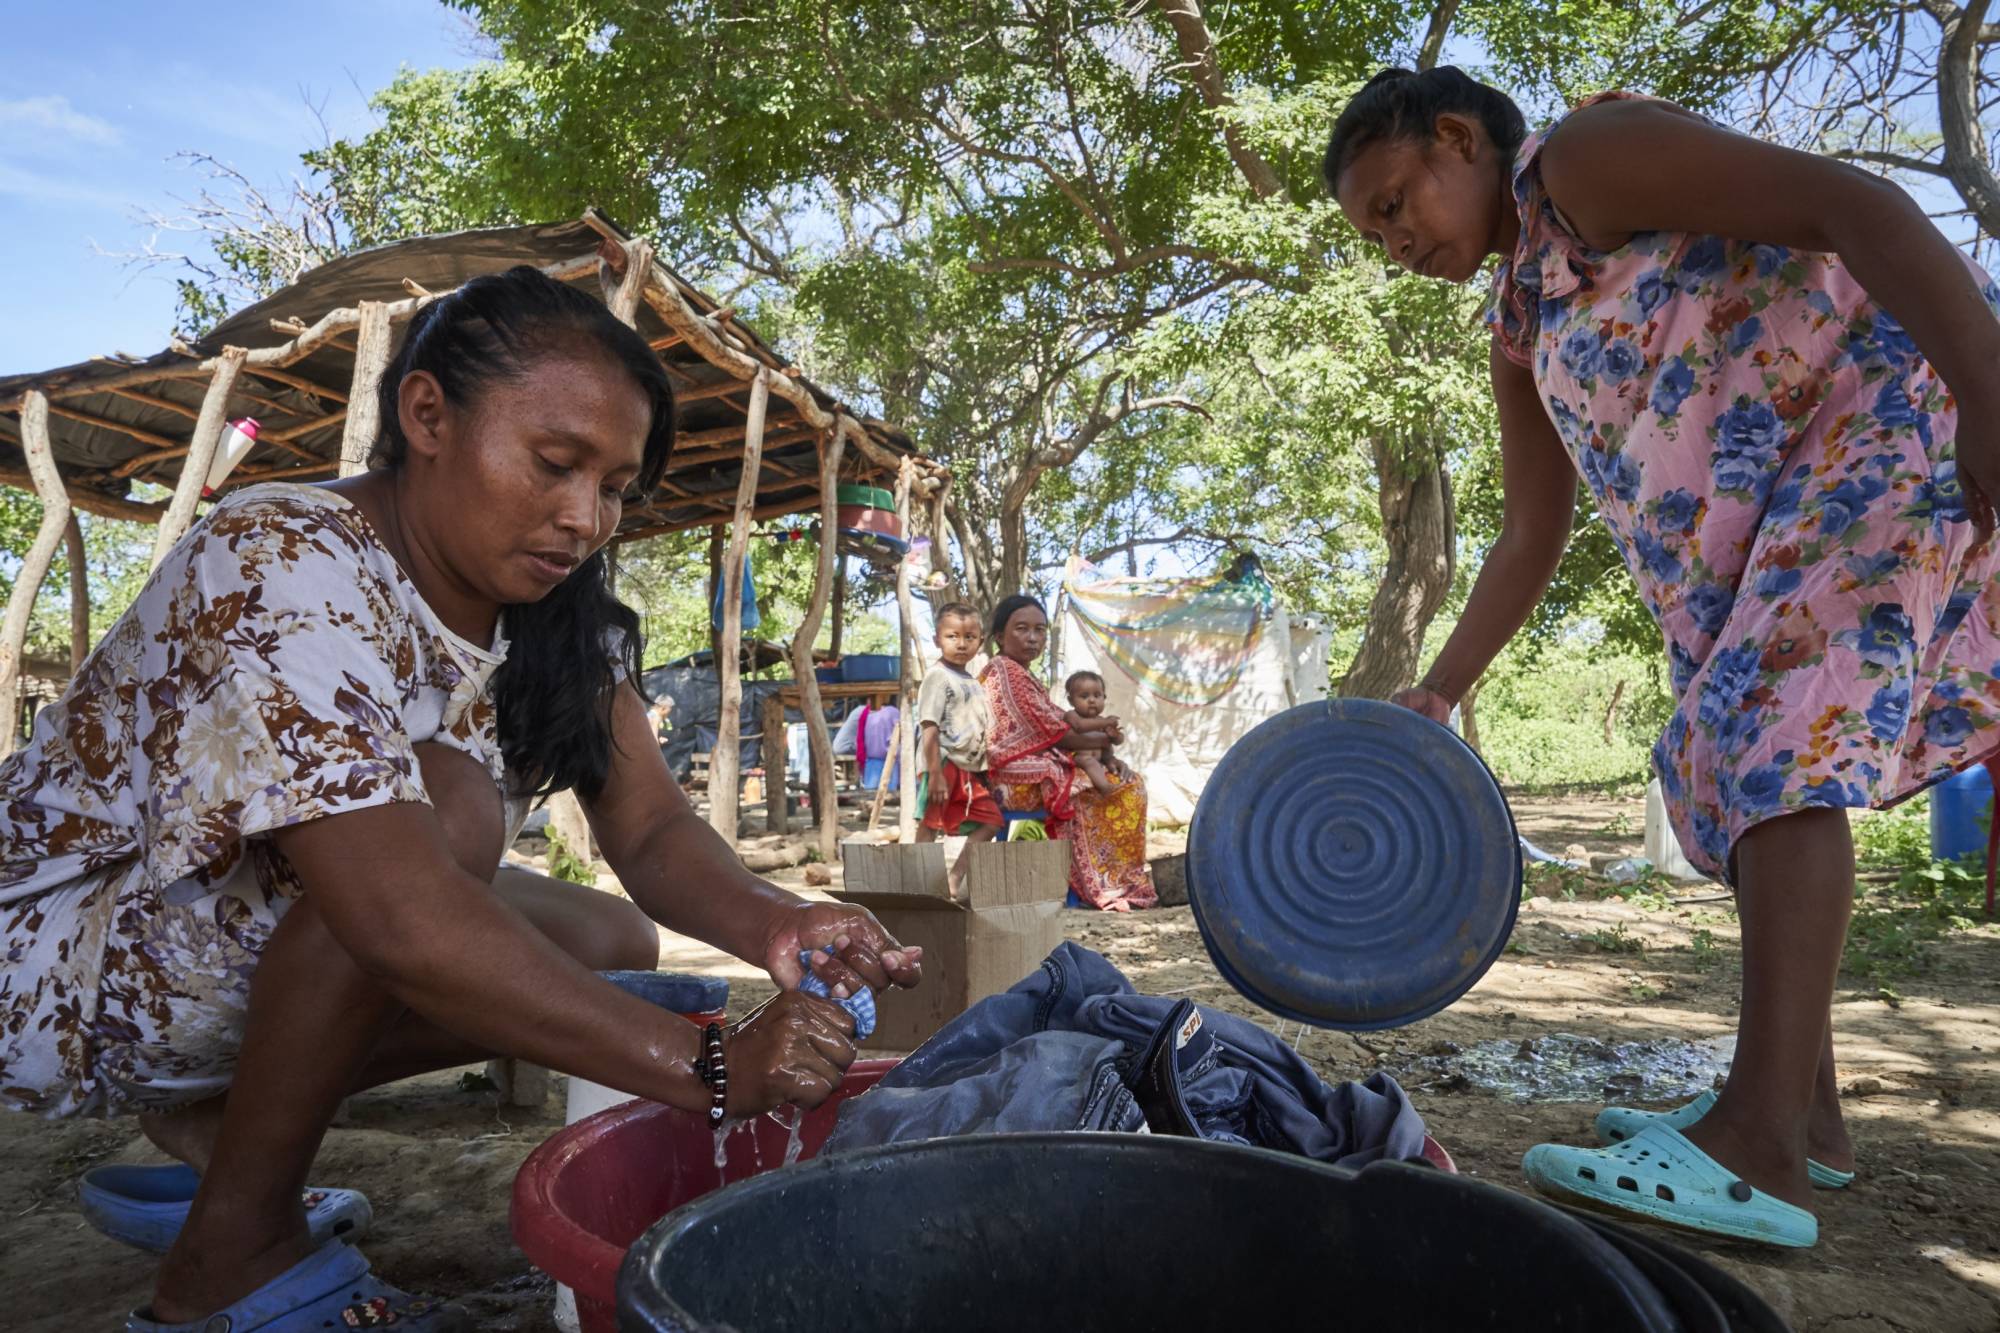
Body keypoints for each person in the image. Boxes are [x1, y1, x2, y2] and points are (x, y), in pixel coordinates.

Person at [0, 266, 922, 1329]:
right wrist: (706, 1065)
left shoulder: (550, 616)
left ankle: (227, 1113)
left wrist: (778, 920)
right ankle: (229, 1258)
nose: (584, 517)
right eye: (553, 462)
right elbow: (395, 912)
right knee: (450, 814)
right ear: (426, 413)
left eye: (615, 487)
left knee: (608, 937)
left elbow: (652, 826)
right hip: (55, 972)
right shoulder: (282, 557)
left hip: (206, 953)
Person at [1325, 67, 2000, 1248]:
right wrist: (1440, 686)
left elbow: (1860, 208)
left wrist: (1988, 391)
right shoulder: (1520, 319)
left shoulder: (1584, 162)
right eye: (1368, 233)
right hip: (1754, 546)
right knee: (1710, 759)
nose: (1390, 243)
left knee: (1765, 744)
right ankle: (1806, 1116)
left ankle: (1758, 1152)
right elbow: (1529, 536)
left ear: (1453, 140)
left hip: (1877, 428)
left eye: (1391, 204)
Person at [981, 596, 1157, 912]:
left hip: (1029, 770)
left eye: (1040, 630)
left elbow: (1059, 725)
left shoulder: (1019, 673)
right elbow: (1063, 734)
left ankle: (1104, 877)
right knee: (1128, 789)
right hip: (1018, 779)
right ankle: (1103, 881)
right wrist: (1105, 740)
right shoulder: (1006, 672)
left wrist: (1107, 754)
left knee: (1115, 777)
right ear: (998, 636)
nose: (1033, 637)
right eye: (1022, 629)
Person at [913, 602, 1003, 893]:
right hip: (944, 762)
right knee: (930, 825)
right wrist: (935, 773)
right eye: (953, 636)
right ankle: (917, 886)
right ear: (937, 639)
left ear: (980, 640)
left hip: (969, 768)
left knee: (990, 821)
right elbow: (929, 725)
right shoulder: (937, 676)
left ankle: (953, 881)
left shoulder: (972, 681)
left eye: (969, 637)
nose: (961, 643)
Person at [1063, 670, 1122, 798]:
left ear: (1104, 698)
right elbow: (1080, 727)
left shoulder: (1102, 720)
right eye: (1084, 696)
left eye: (1097, 695)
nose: (1091, 700)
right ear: (1071, 701)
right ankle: (1105, 788)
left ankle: (1111, 773)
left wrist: (1115, 735)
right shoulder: (1072, 715)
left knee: (1109, 757)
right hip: (1079, 759)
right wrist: (1105, 723)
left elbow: (1118, 741)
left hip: (1101, 760)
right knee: (1088, 761)